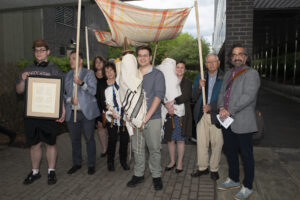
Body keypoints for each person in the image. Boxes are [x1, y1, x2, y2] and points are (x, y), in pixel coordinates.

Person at [16, 40, 65, 185]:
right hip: (32, 114)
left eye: (42, 50)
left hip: (49, 114)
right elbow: (19, 91)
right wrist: (23, 81)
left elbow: (60, 92)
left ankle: (51, 171)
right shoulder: (27, 69)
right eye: (36, 50)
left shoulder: (54, 69)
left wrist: (62, 109)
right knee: (35, 144)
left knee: (50, 143)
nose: (39, 53)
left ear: (48, 52)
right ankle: (35, 172)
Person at [217, 44, 260, 200]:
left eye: (240, 54)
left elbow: (248, 96)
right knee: (230, 152)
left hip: (243, 122)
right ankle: (233, 179)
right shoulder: (228, 73)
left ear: (246, 57)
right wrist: (221, 107)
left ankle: (247, 186)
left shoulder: (251, 74)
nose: (237, 57)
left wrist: (230, 110)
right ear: (230, 58)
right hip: (226, 121)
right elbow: (222, 93)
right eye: (234, 54)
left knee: (247, 156)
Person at [127, 46, 165, 191]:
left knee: (154, 148)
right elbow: (127, 95)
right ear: (137, 58)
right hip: (135, 119)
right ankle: (138, 174)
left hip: (153, 118)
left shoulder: (157, 75)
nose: (142, 58)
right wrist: (129, 113)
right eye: (140, 55)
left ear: (150, 57)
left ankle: (156, 176)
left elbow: (158, 96)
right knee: (137, 148)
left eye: (145, 55)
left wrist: (146, 117)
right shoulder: (133, 75)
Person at [64, 51, 100, 175]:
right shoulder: (67, 75)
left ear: (80, 61)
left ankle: (91, 164)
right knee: (75, 140)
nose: (71, 61)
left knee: (89, 138)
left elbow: (93, 90)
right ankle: (77, 163)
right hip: (72, 112)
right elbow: (63, 94)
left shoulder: (89, 73)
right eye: (70, 59)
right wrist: (69, 99)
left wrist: (81, 83)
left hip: (86, 113)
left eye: (74, 58)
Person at [190, 54, 224, 181]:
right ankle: (203, 167)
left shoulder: (224, 77)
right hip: (201, 115)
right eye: (208, 62)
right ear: (205, 64)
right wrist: (199, 87)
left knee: (217, 144)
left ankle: (214, 169)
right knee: (202, 144)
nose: (211, 64)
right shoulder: (201, 76)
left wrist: (211, 106)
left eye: (214, 61)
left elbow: (226, 98)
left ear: (218, 62)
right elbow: (193, 96)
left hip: (217, 116)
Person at [164, 60, 192, 174]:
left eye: (182, 67)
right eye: (177, 67)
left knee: (180, 140)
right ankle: (172, 161)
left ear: (184, 70)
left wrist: (173, 101)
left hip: (182, 116)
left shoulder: (188, 82)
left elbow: (185, 96)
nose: (179, 69)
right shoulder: (169, 81)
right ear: (174, 69)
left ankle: (179, 163)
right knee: (170, 140)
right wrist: (167, 105)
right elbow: (163, 95)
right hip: (169, 114)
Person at [103, 62, 130, 171]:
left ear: (115, 71)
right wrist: (111, 110)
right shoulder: (104, 86)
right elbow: (103, 101)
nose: (109, 73)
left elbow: (127, 97)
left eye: (110, 70)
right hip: (112, 116)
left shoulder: (121, 83)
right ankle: (110, 161)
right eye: (106, 71)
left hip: (124, 116)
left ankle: (123, 160)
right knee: (112, 140)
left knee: (124, 140)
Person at [93, 56, 108, 157]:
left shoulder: (108, 74)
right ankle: (104, 148)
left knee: (109, 127)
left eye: (100, 62)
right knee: (100, 127)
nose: (98, 64)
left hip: (107, 105)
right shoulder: (91, 76)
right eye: (96, 62)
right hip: (96, 105)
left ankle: (110, 147)